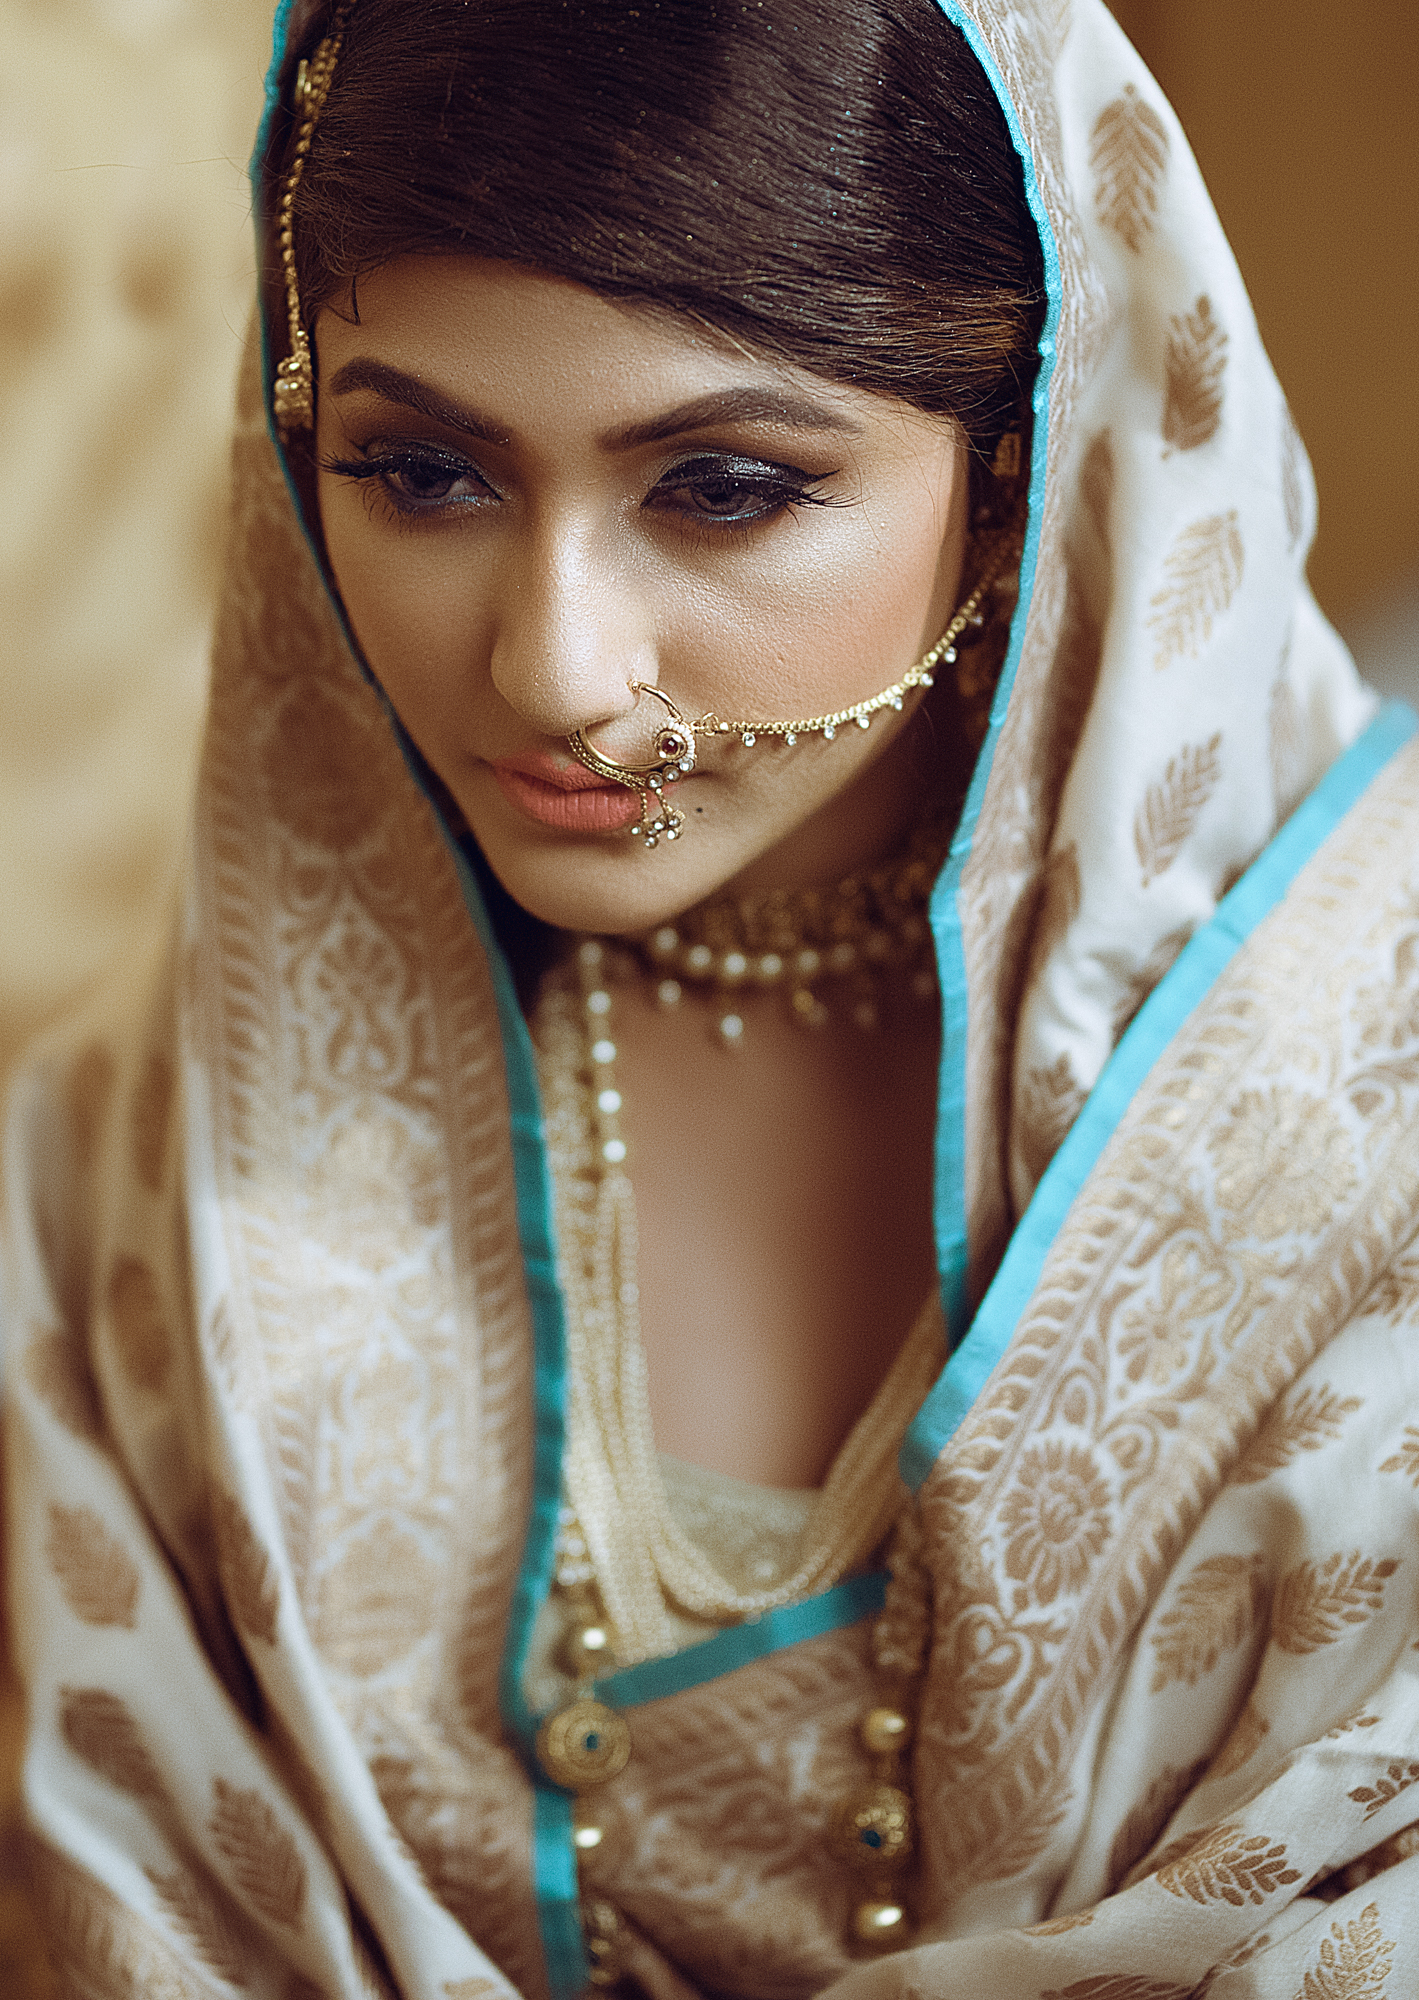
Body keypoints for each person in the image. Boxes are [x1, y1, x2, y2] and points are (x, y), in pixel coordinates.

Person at [5, 0, 1419, 1993]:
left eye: (725, 488)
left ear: (1012, 464)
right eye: (422, 472)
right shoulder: (129, 1169)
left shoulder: (1375, 1092)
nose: (555, 666)